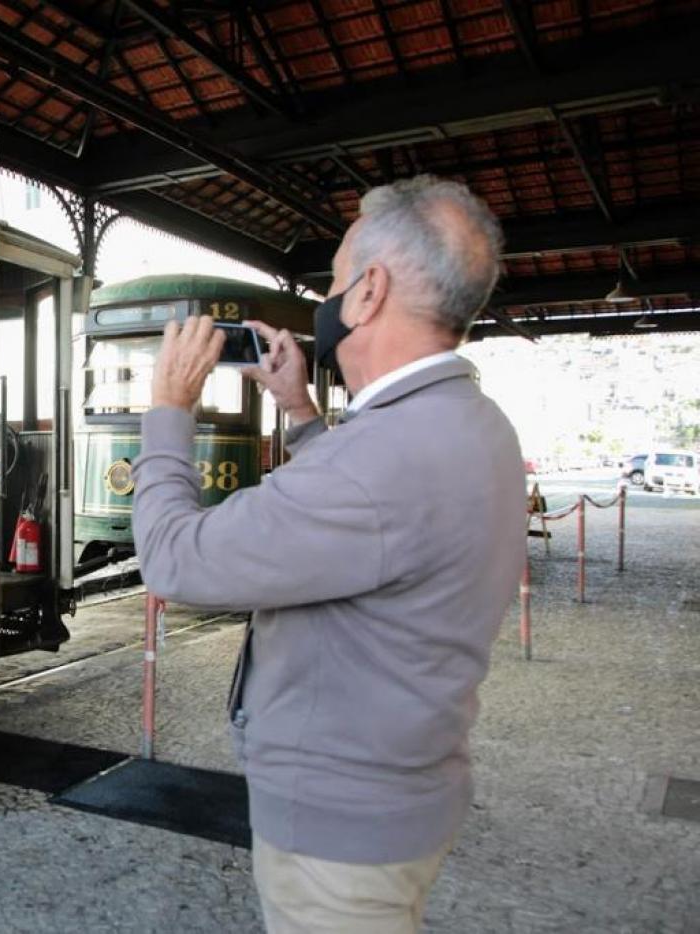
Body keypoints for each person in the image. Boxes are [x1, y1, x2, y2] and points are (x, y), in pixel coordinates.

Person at [132, 176, 524, 934]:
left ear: (370, 291)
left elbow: (173, 561)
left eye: (339, 279)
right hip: (406, 798)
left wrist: (169, 411)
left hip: (338, 836)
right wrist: (302, 414)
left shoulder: (375, 464)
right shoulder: (479, 425)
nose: (331, 297)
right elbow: (375, 527)